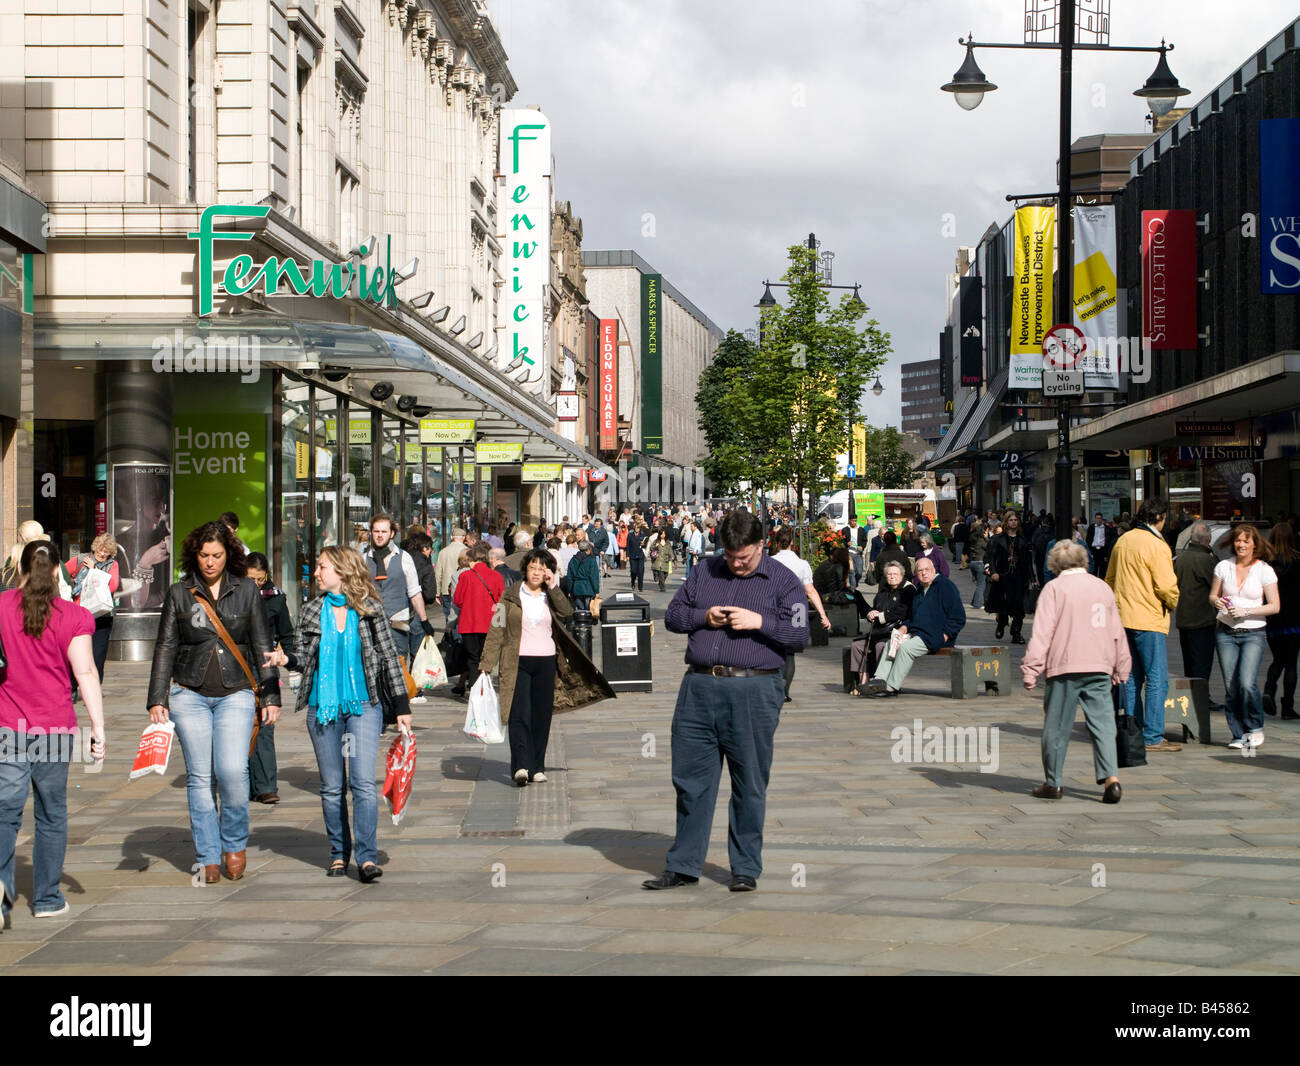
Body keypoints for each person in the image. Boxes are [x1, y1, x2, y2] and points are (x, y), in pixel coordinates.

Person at [643, 510, 809, 893]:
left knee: (748, 780)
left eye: (744, 557)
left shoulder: (784, 582)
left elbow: (800, 636)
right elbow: (673, 616)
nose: (735, 563)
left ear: (761, 546)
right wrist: (705, 617)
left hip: (754, 689)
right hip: (699, 687)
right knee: (690, 781)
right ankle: (684, 864)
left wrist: (760, 623)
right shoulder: (704, 571)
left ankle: (745, 868)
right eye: (730, 556)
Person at [147, 520, 281, 883]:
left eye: (217, 555)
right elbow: (166, 646)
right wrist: (157, 696)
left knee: (233, 772)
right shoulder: (179, 592)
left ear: (229, 555)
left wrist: (270, 695)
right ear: (195, 554)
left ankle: (234, 842)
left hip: (236, 691)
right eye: (204, 555)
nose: (210, 562)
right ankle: (207, 853)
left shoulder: (246, 592)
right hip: (189, 693)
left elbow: (262, 646)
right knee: (200, 777)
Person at [266, 547, 410, 881]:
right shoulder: (311, 610)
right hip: (322, 708)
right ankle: (337, 854)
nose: (315, 573)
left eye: (321, 567)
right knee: (331, 787)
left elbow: (389, 657)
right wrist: (284, 660)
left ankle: (367, 858)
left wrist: (401, 706)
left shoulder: (370, 609)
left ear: (342, 571)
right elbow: (301, 656)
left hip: (363, 705)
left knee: (362, 783)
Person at [0, 541, 106, 921]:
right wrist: (98, 727)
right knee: (50, 814)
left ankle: (1, 894)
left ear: (22, 569)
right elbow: (86, 673)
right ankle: (46, 900)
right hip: (55, 728)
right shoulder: (74, 616)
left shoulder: (1, 606)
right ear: (60, 569)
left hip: (8, 725)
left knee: (5, 813)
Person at [479, 548, 614, 787]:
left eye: (542, 569)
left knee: (541, 715)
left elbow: (567, 612)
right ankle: (521, 765)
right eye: (533, 568)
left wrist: (553, 586)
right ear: (525, 569)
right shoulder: (509, 596)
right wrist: (486, 665)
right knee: (518, 714)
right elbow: (496, 629)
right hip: (516, 662)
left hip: (546, 662)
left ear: (548, 572)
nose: (537, 573)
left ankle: (537, 766)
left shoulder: (550, 595)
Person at [1021, 541, 1130, 803]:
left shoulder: (1054, 588)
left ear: (1054, 564)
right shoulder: (1101, 587)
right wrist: (1121, 665)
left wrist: (1031, 668)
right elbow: (1116, 629)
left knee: (1056, 727)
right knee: (1103, 725)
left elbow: (1043, 633)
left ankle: (1053, 782)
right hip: (1099, 664)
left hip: (1065, 666)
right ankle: (1111, 778)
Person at [1105, 498, 1181, 753]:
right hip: (1149, 618)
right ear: (1160, 518)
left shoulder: (1123, 540)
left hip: (1124, 617)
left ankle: (1134, 729)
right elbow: (1166, 586)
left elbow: (1110, 578)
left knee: (1133, 677)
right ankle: (1153, 735)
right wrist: (1171, 603)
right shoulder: (1157, 545)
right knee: (1157, 678)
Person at [1210, 525, 1279, 749]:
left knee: (1247, 682)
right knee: (1231, 685)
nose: (1241, 544)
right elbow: (1213, 595)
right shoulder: (1223, 566)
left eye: (1246, 541)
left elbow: (1275, 606)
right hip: (1225, 632)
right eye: (1238, 540)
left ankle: (1255, 726)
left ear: (1255, 545)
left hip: (1253, 632)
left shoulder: (1264, 570)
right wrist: (1216, 601)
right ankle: (1238, 733)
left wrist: (1247, 611)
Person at [867, 556, 965, 697]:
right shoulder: (919, 589)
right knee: (892, 643)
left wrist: (945, 635)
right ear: (916, 574)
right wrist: (904, 628)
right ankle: (879, 680)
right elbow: (912, 616)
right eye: (920, 571)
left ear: (933, 570)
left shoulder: (945, 586)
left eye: (927, 569)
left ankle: (891, 686)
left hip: (935, 636)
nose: (924, 573)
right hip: (917, 633)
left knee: (906, 649)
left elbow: (959, 617)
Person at [244, 552, 293, 805]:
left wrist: (288, 655)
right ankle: (242, 782)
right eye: (251, 579)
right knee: (239, 723)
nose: (256, 585)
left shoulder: (276, 598)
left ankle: (265, 786)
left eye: (260, 580)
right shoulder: (232, 596)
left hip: (266, 666)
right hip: (238, 665)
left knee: (265, 723)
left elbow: (287, 634)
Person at [768, 526, 832, 703]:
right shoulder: (802, 564)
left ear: (776, 543)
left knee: (774, 649)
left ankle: (773, 688)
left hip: (774, 609)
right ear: (791, 544)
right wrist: (822, 615)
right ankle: (785, 691)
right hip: (797, 610)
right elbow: (811, 591)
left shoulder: (769, 563)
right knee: (790, 653)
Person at [361, 514, 436, 662]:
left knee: (399, 667)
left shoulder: (404, 557)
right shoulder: (363, 559)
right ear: (371, 533)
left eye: (384, 532)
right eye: (376, 531)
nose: (380, 535)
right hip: (370, 623)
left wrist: (424, 620)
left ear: (392, 534)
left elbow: (414, 592)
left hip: (397, 623)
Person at [63, 533, 120, 695]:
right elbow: (63, 575)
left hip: (101, 615)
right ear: (95, 547)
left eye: (106, 551)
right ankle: (72, 688)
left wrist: (94, 571)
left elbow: (112, 586)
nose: (102, 554)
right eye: (100, 550)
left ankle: (93, 688)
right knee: (74, 653)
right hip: (79, 614)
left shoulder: (112, 564)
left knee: (98, 655)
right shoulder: (81, 560)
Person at [452, 540, 504, 697]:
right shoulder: (496, 576)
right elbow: (501, 601)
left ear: (473, 560)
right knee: (486, 657)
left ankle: (474, 688)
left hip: (469, 623)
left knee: (473, 658)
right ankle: (485, 689)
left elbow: (458, 600)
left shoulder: (466, 576)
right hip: (490, 623)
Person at [853, 560, 914, 693]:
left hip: (897, 631)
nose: (892, 576)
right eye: (889, 574)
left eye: (895, 574)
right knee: (856, 646)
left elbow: (903, 611)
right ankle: (863, 680)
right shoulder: (884, 589)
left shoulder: (908, 589)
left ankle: (882, 681)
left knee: (882, 646)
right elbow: (876, 607)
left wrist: (881, 616)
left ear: (902, 575)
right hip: (879, 630)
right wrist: (871, 613)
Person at [1174, 521, 1218, 690]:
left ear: (1191, 537)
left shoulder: (1181, 558)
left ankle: (1191, 697)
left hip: (1184, 617)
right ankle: (1201, 698)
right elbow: (1217, 586)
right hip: (1203, 619)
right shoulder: (1207, 561)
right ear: (1208, 540)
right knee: (1202, 664)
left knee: (1189, 663)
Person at [1263, 522, 1300, 720]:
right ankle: (1288, 707)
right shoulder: (1296, 561)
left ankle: (1269, 689)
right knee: (1291, 663)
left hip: (1273, 618)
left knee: (1278, 659)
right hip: (1294, 619)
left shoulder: (1265, 563)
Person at [986, 510, 1030, 643]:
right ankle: (1002, 623)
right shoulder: (998, 539)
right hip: (1003, 576)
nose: (1013, 522)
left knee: (1019, 607)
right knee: (1003, 604)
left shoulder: (1022, 539)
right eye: (1011, 520)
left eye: (1015, 520)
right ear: (1006, 522)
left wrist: (1032, 579)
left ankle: (1016, 632)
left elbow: (1027, 561)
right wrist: (993, 571)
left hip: (1019, 576)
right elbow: (991, 557)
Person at [434, 527, 467, 628]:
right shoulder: (467, 551)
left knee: (449, 616)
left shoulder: (443, 552)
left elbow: (438, 573)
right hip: (464, 589)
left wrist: (437, 592)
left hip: (446, 590)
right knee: (463, 616)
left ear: (452, 537)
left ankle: (452, 639)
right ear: (463, 537)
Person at [967, 519, 988, 609]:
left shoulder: (973, 538)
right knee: (981, 584)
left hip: (972, 562)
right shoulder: (982, 541)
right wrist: (987, 538)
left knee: (979, 583)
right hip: (980, 562)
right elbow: (990, 547)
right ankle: (978, 603)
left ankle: (974, 601)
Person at [647, 524, 673, 592]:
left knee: (666, 574)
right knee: (661, 574)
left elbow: (670, 550)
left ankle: (661, 583)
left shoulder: (668, 542)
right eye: (661, 534)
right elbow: (651, 548)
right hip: (658, 561)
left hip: (665, 560)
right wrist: (655, 546)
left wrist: (672, 556)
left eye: (664, 534)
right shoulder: (656, 541)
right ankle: (663, 588)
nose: (663, 535)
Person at [846, 514, 868, 586]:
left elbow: (865, 540)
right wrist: (847, 543)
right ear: (849, 521)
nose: (854, 522)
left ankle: (855, 582)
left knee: (859, 573)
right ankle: (853, 588)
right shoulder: (845, 530)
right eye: (852, 521)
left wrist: (862, 547)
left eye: (855, 521)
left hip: (858, 553)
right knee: (851, 571)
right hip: (849, 553)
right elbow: (842, 541)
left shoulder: (861, 530)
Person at [626, 522, 645, 592]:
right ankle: (633, 582)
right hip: (632, 555)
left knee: (640, 571)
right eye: (636, 528)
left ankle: (640, 586)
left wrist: (644, 544)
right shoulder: (630, 535)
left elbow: (645, 544)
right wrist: (627, 555)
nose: (637, 529)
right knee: (633, 571)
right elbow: (627, 545)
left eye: (638, 528)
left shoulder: (642, 535)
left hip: (640, 555)